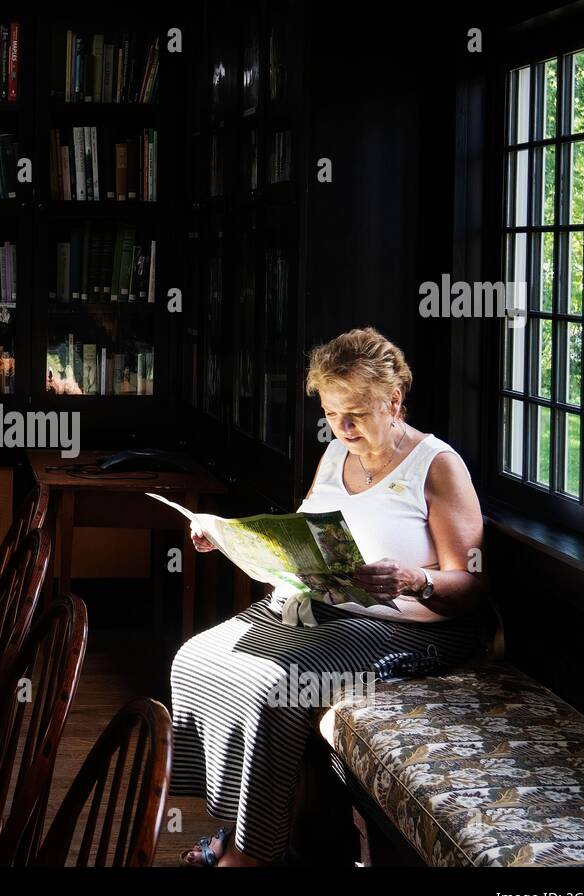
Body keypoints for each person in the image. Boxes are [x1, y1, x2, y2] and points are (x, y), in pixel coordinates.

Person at [172, 327, 488, 867]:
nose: (341, 428)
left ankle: (252, 855)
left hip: (409, 623)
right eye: (331, 413)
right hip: (325, 608)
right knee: (197, 658)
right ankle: (237, 825)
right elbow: (298, 534)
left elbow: (473, 587)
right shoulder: (336, 454)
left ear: (393, 401)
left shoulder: (436, 465)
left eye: (356, 415)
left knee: (278, 687)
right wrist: (227, 536)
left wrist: (416, 579)